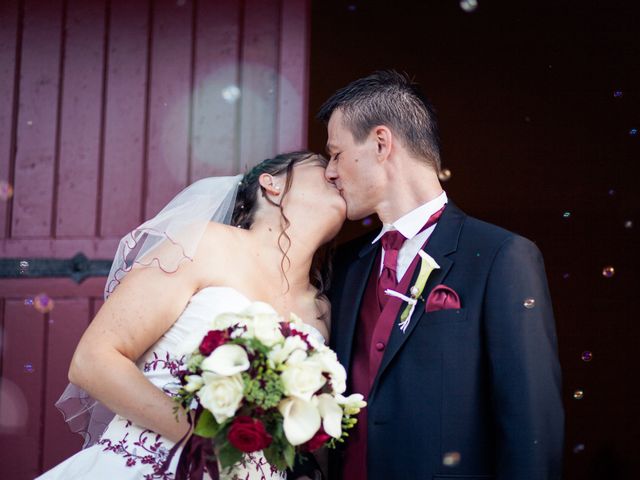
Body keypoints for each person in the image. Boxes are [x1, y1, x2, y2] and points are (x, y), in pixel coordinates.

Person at [37, 151, 345, 480]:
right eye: (322, 165)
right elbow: (92, 362)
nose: (335, 173)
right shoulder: (203, 244)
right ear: (273, 185)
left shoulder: (321, 310)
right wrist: (201, 439)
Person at [318, 71, 564, 480]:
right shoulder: (344, 266)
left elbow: (530, 424)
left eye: (336, 153)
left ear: (381, 143)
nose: (329, 171)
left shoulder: (500, 256)